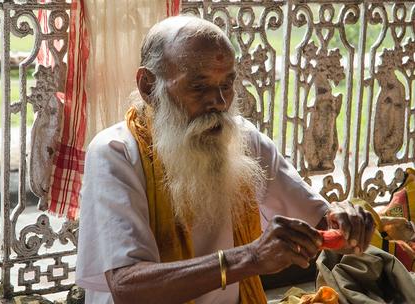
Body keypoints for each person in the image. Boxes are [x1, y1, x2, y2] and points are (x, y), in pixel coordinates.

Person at [76, 16, 374, 304]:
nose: (218, 102)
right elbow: (128, 288)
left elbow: (317, 220)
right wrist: (251, 258)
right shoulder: (115, 153)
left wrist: (346, 221)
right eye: (199, 86)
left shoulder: (241, 139)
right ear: (148, 87)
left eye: (227, 84)